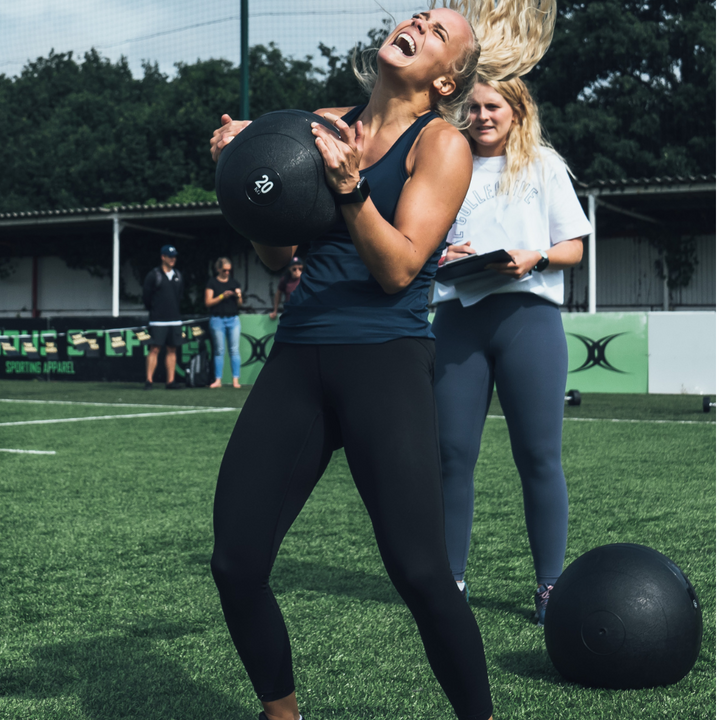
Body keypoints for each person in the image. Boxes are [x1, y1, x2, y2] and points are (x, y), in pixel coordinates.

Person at [209, 3, 556, 719]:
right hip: (300, 356)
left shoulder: (443, 145)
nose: (419, 24)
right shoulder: (318, 123)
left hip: (386, 362)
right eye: (419, 16)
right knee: (236, 562)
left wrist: (350, 187)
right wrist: (246, 176)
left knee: (422, 573)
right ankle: (282, 713)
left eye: (437, 32)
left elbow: (399, 269)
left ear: (446, 79)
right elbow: (276, 254)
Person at [431, 77, 592, 625]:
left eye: (493, 106)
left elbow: (573, 247)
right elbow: (419, 245)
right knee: (450, 455)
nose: (481, 115)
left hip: (529, 320)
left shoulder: (544, 165)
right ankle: (450, 583)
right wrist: (442, 254)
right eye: (472, 107)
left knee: (539, 457)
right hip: (458, 319)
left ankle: (550, 586)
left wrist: (535, 256)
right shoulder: (444, 164)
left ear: (518, 110)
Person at [142, 244, 185, 390]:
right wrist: (155, 311)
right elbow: (146, 297)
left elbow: (179, 296)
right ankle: (149, 380)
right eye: (170, 256)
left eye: (174, 257)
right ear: (163, 257)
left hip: (175, 319)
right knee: (154, 349)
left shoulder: (178, 275)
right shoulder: (154, 275)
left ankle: (170, 381)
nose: (173, 259)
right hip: (158, 320)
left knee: (172, 349)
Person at [205, 257, 243, 389]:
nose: (227, 273)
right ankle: (218, 380)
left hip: (233, 319)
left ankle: (235, 380)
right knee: (219, 350)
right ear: (218, 269)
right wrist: (222, 296)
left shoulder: (234, 282)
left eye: (229, 270)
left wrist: (238, 295)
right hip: (217, 319)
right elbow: (208, 302)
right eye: (224, 270)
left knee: (234, 350)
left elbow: (240, 304)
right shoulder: (212, 283)